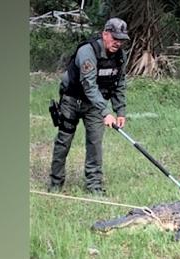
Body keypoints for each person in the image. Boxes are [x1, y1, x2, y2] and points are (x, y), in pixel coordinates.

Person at [48, 17, 130, 195]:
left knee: (95, 143)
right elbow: (88, 85)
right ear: (105, 34)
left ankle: (94, 186)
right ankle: (55, 182)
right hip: (72, 100)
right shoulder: (87, 52)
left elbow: (119, 84)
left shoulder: (120, 57)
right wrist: (106, 112)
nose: (118, 43)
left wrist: (120, 110)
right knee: (64, 141)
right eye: (115, 38)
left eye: (122, 39)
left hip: (95, 105)